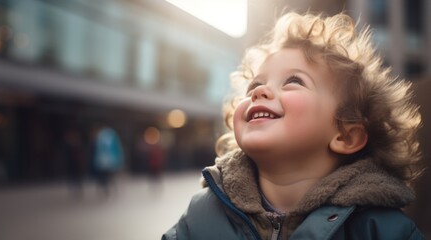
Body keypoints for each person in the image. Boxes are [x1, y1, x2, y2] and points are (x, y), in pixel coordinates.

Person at [163, 12, 424, 240]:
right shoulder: (202, 214)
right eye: (254, 85)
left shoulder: (381, 229)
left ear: (346, 135)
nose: (260, 91)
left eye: (294, 81)